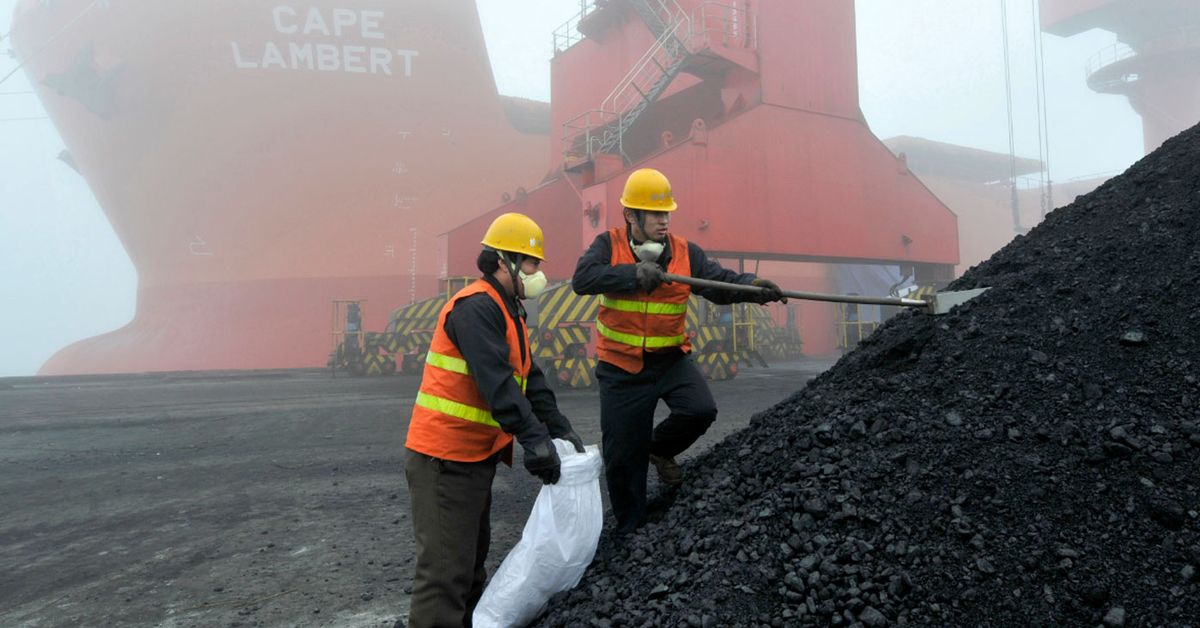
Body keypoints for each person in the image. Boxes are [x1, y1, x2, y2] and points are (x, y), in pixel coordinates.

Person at [572, 167, 787, 535]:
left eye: (666, 213)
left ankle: (657, 448)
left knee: (700, 410)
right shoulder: (608, 245)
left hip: (671, 359)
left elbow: (718, 283)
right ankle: (631, 529)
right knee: (622, 457)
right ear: (631, 215)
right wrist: (633, 275)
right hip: (621, 367)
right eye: (655, 214)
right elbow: (583, 280)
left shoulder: (687, 252)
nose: (663, 221)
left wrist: (753, 287)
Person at [404, 212, 585, 627]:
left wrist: (557, 428)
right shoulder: (475, 308)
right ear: (503, 260)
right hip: (443, 458)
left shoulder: (508, 309)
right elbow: (498, 384)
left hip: (469, 457)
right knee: (445, 575)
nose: (539, 273)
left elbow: (529, 376)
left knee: (469, 568)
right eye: (532, 263)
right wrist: (534, 440)